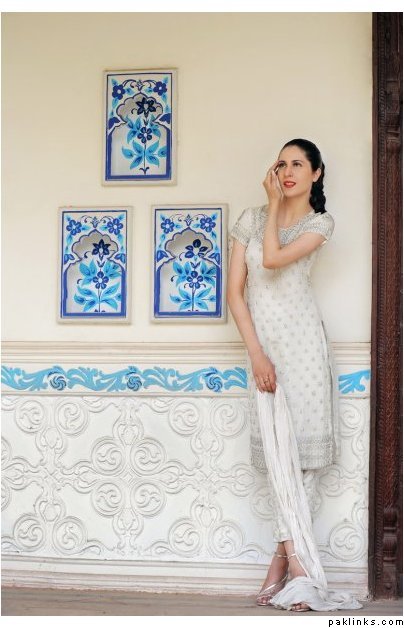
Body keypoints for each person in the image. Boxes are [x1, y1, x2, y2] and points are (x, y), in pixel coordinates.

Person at [227, 139, 362, 612]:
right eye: (281, 163)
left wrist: (273, 207)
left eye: (298, 164)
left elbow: (272, 259)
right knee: (277, 457)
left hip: (305, 349)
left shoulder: (320, 224)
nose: (287, 172)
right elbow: (235, 295)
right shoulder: (249, 220)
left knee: (302, 460)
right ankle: (292, 564)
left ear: (316, 173)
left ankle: (290, 566)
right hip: (265, 351)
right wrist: (256, 355)